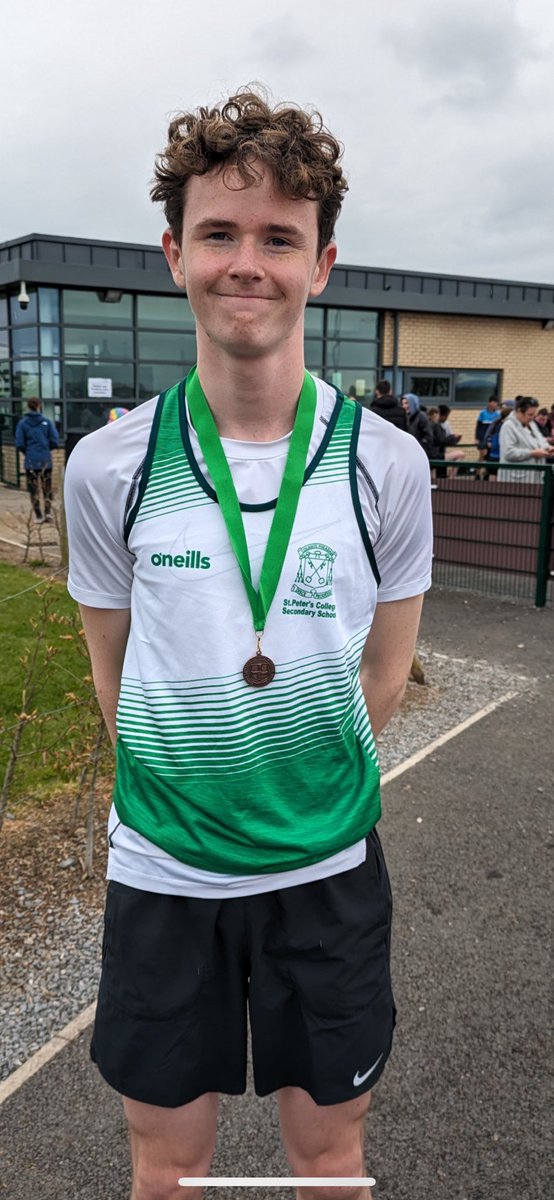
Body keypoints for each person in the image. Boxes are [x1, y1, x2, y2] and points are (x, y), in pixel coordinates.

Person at [65, 87, 433, 1200]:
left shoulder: (386, 465)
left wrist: (295, 789)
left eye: (279, 237)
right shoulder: (109, 467)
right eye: (219, 233)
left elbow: (381, 678)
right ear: (174, 254)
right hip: (164, 877)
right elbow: (113, 677)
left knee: (328, 1165)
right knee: (166, 1170)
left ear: (321, 265)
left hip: (325, 877)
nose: (247, 263)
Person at [15, 397, 59, 523]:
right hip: (45, 460)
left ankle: (38, 515)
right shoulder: (47, 422)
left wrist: (28, 452)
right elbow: (54, 440)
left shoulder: (22, 424)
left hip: (30, 462)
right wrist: (46, 449)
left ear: (28, 407)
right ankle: (48, 513)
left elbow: (20, 443)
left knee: (33, 489)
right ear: (39, 406)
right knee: (47, 488)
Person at [498, 396, 554, 483]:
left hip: (535, 477)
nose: (532, 418)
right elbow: (508, 453)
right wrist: (532, 453)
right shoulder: (508, 426)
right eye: (530, 415)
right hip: (515, 480)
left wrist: (547, 448)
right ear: (519, 411)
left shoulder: (531, 424)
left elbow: (540, 439)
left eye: (534, 415)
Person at [401, 392, 435, 459]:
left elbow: (428, 437)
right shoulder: (405, 417)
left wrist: (416, 445)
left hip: (420, 454)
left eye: (407, 403)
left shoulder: (421, 416)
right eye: (403, 404)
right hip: (410, 453)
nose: (404, 406)